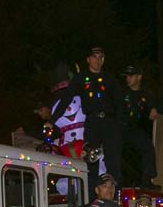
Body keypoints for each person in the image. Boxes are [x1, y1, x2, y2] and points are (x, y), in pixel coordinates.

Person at [52, 46, 125, 185]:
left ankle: (115, 196)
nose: (97, 60)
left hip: (109, 122)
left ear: (103, 60)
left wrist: (119, 124)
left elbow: (119, 102)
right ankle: (91, 197)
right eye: (94, 57)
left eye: (100, 57)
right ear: (88, 59)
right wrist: (51, 120)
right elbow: (66, 99)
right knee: (92, 160)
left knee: (113, 161)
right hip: (92, 121)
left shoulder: (109, 78)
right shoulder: (80, 78)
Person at [120, 65, 159, 189]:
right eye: (127, 76)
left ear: (139, 77)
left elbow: (154, 105)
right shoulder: (122, 92)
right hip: (121, 128)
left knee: (147, 146)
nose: (128, 78)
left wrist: (154, 108)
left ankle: (146, 180)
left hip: (135, 128)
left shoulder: (145, 94)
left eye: (131, 76)